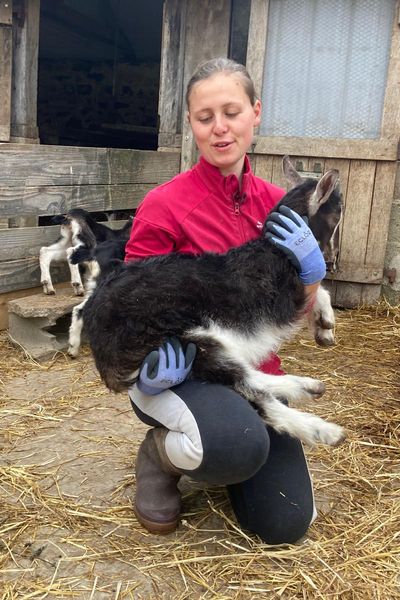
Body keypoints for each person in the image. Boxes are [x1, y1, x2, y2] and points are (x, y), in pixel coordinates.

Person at [124, 58, 326, 544]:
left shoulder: (280, 204)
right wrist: (148, 357)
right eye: (204, 116)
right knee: (236, 443)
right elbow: (131, 303)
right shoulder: (165, 205)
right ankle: (161, 456)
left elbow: (292, 314)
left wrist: (312, 276)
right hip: (179, 372)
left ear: (256, 113)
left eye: (231, 112)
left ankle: (223, 444)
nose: (219, 128)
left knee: (285, 524)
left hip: (254, 371)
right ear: (190, 123)